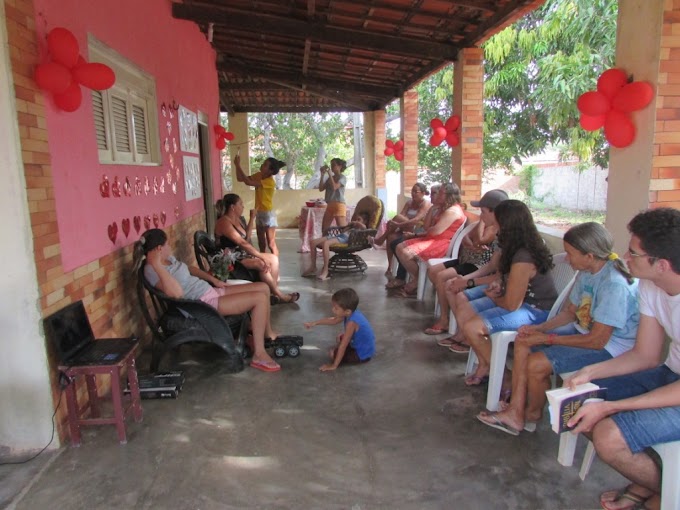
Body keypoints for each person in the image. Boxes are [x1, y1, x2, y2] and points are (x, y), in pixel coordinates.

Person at [564, 209, 680, 510]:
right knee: (577, 399)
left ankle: (665, 493)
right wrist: (590, 371)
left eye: (634, 253)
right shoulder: (650, 285)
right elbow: (646, 355)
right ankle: (658, 487)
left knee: (608, 436)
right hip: (669, 373)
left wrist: (612, 406)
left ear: (662, 264)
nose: (624, 257)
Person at [476, 222, 639, 436]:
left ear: (589, 256)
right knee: (524, 339)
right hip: (584, 333)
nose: (567, 259)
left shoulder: (613, 284)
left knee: (536, 364)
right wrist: (539, 328)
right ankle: (516, 410)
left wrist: (549, 338)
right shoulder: (587, 271)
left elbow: (597, 341)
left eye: (571, 254)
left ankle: (531, 414)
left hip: (612, 347)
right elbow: (570, 312)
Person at [132, 229, 283, 372]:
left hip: (210, 291)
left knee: (263, 288)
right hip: (202, 305)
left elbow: (190, 269)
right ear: (159, 249)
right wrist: (156, 264)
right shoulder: (151, 270)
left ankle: (267, 334)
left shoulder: (169, 260)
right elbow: (176, 294)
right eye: (166, 245)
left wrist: (213, 280)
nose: (169, 247)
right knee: (259, 299)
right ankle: (259, 354)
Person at [452, 200, 557, 384]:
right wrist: (500, 283)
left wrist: (493, 296)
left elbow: (510, 304)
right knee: (464, 310)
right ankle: (488, 365)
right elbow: (508, 280)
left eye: (497, 222)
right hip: (519, 302)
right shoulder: (515, 246)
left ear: (508, 225)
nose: (494, 226)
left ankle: (503, 377)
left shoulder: (524, 255)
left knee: (472, 327)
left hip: (536, 310)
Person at [423, 190, 507, 335]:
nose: (481, 215)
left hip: (478, 263)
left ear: (495, 212)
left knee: (443, 278)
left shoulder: (497, 230)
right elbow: (467, 236)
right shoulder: (493, 226)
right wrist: (470, 241)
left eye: (483, 211)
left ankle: (448, 321)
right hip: (467, 258)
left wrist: (481, 223)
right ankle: (448, 314)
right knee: (434, 271)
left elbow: (480, 239)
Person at [215, 193, 300, 304]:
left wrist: (252, 218)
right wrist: (259, 256)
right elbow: (241, 243)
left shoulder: (237, 219)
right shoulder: (224, 222)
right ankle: (280, 295)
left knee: (273, 258)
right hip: (230, 260)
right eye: (240, 204)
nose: (243, 206)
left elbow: (247, 237)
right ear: (232, 207)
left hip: (242, 255)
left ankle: (271, 293)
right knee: (261, 264)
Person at [391, 182, 467, 297]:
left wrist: (426, 231)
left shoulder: (452, 211)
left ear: (449, 195)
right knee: (399, 246)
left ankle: (416, 282)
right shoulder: (442, 209)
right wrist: (432, 209)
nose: (438, 195)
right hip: (432, 239)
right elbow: (427, 228)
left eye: (441, 193)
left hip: (441, 243)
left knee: (406, 252)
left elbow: (435, 231)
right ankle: (417, 279)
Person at [303, 288, 375, 371]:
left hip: (362, 354)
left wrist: (334, 365)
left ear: (347, 311)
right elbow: (333, 320)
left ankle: (340, 356)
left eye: (336, 308)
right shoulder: (351, 312)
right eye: (333, 306)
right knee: (340, 338)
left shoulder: (352, 322)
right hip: (362, 345)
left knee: (332, 354)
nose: (332, 309)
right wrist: (314, 323)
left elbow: (343, 346)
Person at [373, 182, 432, 278]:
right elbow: (402, 215)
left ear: (423, 193)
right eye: (412, 191)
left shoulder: (425, 204)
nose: (413, 193)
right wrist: (393, 223)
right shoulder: (409, 203)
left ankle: (380, 239)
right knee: (391, 236)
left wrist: (397, 223)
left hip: (416, 230)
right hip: (405, 228)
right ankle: (390, 266)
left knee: (397, 218)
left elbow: (416, 220)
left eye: (415, 192)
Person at [233, 154, 286, 257]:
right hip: (258, 212)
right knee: (261, 243)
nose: (262, 165)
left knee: (271, 244)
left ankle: (275, 264)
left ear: (270, 171)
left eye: (265, 165)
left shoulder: (269, 181)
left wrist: (239, 165)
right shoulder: (259, 175)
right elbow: (240, 179)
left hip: (268, 214)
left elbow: (248, 182)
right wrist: (236, 166)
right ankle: (265, 262)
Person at [302, 212, 370, 281]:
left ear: (365, 221)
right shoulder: (353, 227)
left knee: (326, 243)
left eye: (359, 219)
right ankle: (313, 267)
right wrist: (349, 226)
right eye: (356, 219)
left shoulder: (362, 228)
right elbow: (343, 230)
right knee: (313, 242)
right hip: (338, 236)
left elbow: (363, 227)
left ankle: (325, 270)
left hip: (345, 239)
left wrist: (355, 223)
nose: (357, 221)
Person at [318, 158, 348, 234]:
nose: (331, 167)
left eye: (333, 165)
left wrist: (329, 174)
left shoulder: (342, 178)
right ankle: (326, 244)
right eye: (331, 165)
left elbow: (335, 187)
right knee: (324, 230)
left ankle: (346, 245)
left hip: (339, 205)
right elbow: (321, 188)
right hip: (330, 205)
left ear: (340, 166)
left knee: (343, 230)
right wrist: (322, 175)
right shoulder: (330, 178)